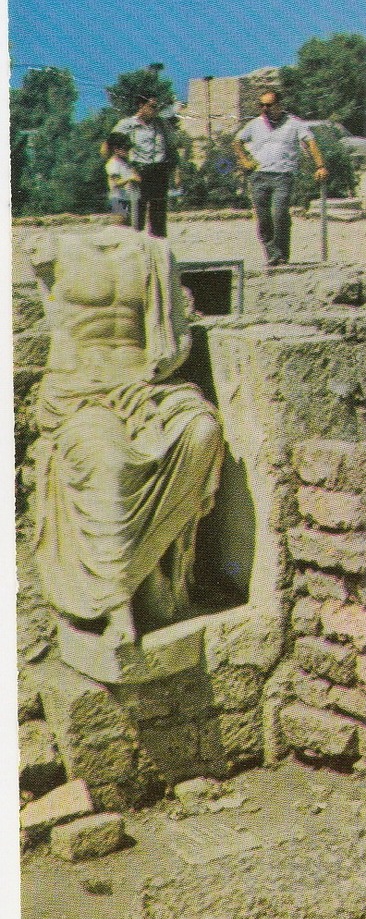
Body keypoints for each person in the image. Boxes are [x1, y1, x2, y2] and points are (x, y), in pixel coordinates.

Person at [28, 226, 225, 672]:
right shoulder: (49, 248)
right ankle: (119, 602)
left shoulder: (158, 254)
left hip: (145, 386)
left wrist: (156, 368)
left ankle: (151, 568)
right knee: (109, 463)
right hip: (81, 393)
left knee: (202, 430)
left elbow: (176, 340)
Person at [232, 89, 327, 267]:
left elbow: (310, 142)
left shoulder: (294, 124)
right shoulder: (254, 124)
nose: (264, 109)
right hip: (259, 177)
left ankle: (282, 254)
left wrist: (320, 166)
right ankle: (273, 255)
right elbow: (237, 141)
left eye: (269, 105)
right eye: (261, 105)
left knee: (279, 214)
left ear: (279, 105)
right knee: (263, 218)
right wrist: (244, 160)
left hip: (283, 176)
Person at [112, 93, 177, 237]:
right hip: (139, 171)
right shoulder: (127, 124)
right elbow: (111, 145)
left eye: (157, 107)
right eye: (152, 106)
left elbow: (171, 148)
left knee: (159, 214)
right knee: (137, 213)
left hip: (159, 171)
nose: (155, 110)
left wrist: (176, 172)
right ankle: (137, 250)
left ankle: (159, 250)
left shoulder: (162, 124)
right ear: (141, 106)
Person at [102, 132, 140, 226]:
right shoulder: (114, 163)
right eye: (126, 148)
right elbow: (114, 184)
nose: (128, 151)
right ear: (116, 149)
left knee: (128, 226)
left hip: (127, 198)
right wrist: (130, 178)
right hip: (118, 199)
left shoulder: (125, 163)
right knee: (120, 226)